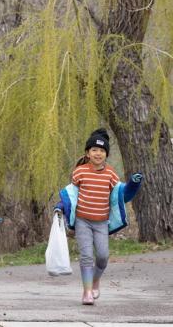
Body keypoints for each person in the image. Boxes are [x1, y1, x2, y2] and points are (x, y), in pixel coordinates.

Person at [55, 128, 142, 305]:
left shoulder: (110, 174)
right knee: (86, 255)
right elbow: (70, 195)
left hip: (101, 222)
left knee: (102, 256)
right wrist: (59, 207)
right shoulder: (80, 172)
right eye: (94, 150)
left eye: (102, 151)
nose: (98, 153)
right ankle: (87, 292)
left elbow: (121, 195)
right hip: (83, 221)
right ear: (87, 153)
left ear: (106, 154)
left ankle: (95, 281)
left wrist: (133, 184)